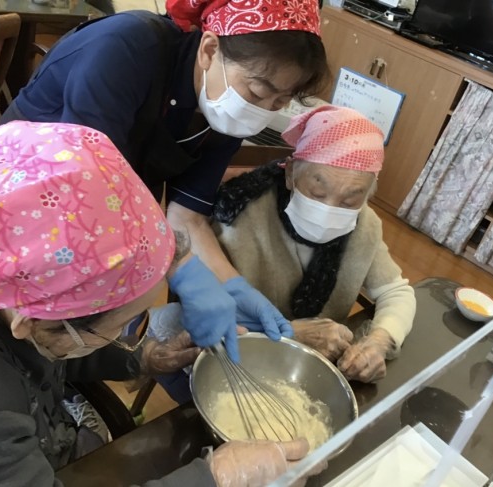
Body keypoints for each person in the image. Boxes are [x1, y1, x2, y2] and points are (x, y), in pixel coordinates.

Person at [0, 121, 321, 486]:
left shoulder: (4, 278)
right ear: (29, 322)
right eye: (121, 327)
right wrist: (214, 476)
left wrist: (143, 358)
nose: (127, 333)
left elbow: (55, 346)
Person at [0, 0, 330, 361]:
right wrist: (185, 273)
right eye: (258, 93)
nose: (262, 111)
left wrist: (232, 286)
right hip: (27, 196)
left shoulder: (224, 114)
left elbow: (186, 215)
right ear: (209, 49)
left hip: (110, 209)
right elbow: (92, 196)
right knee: (28, 326)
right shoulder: (125, 49)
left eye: (280, 102)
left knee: (86, 336)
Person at [149, 106, 416, 402]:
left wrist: (379, 341)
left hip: (305, 373)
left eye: (350, 200)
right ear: (290, 173)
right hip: (237, 359)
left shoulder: (363, 225)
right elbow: (209, 314)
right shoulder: (240, 215)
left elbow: (397, 292)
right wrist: (290, 335)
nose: (329, 209)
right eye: (317, 193)